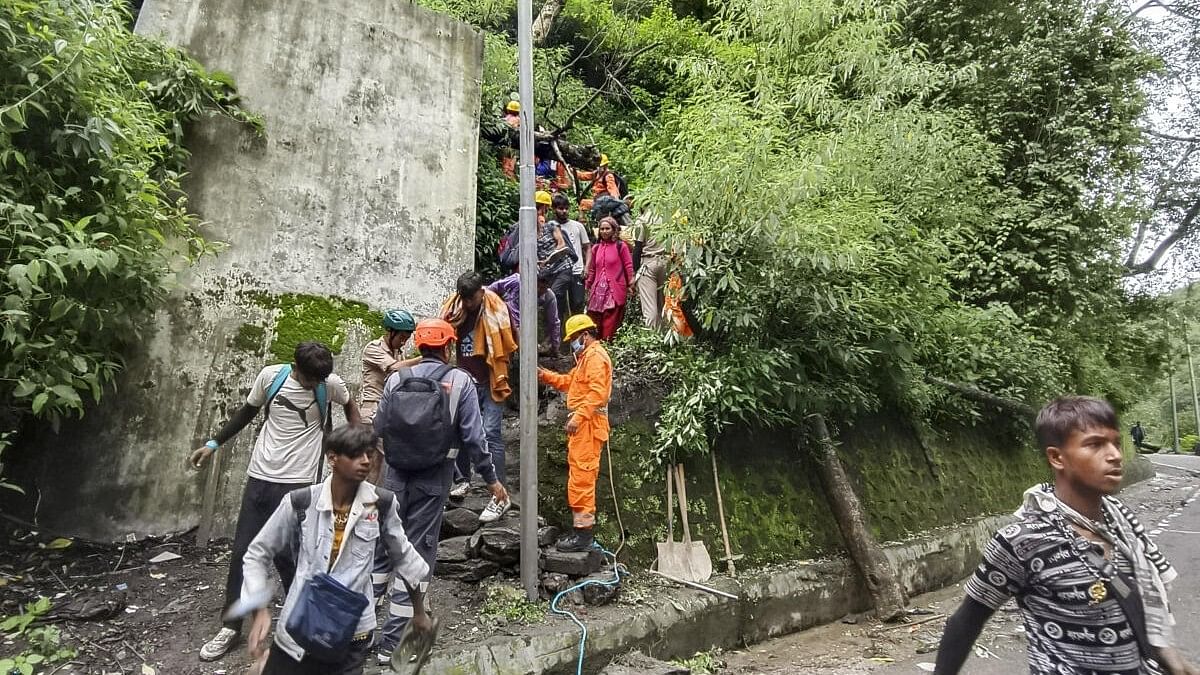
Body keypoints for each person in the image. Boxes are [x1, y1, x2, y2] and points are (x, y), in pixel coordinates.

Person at [934, 396, 1198, 675]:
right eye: (1095, 444)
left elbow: (1140, 605)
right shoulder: (1022, 540)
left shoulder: (1123, 523)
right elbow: (965, 624)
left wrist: (1174, 662)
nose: (1115, 455)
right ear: (1057, 457)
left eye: (1116, 443)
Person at [190, 342, 358, 662]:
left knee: (291, 557)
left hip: (299, 483)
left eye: (321, 380)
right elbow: (246, 413)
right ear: (297, 369)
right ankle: (230, 625)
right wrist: (213, 444)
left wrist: (354, 439)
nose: (317, 386)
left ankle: (308, 622)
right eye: (312, 380)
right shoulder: (271, 377)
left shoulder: (329, 384)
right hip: (260, 476)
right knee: (244, 551)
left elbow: (350, 407)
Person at [238, 424, 432, 675]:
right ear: (332, 458)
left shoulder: (381, 504)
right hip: (300, 629)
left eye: (369, 454)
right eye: (355, 454)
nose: (365, 461)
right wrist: (259, 608)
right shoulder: (301, 502)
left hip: (352, 634)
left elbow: (405, 557)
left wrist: (419, 612)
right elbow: (257, 553)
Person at [370, 319, 509, 663]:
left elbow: (377, 427)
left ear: (418, 345)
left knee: (382, 551)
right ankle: (391, 645)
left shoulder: (396, 378)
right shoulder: (459, 381)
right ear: (448, 347)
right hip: (433, 480)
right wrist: (491, 479)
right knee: (415, 555)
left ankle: (360, 634)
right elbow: (475, 440)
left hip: (394, 476)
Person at [441, 272, 517, 510]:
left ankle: (499, 492)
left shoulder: (497, 309)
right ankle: (462, 480)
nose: (467, 303)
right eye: (463, 298)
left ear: (481, 293)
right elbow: (442, 335)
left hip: (491, 378)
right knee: (458, 432)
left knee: (491, 432)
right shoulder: (454, 310)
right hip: (464, 380)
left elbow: (509, 339)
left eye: (471, 299)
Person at [537, 315, 613, 552]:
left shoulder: (595, 357)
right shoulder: (586, 358)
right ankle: (581, 531)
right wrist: (545, 376)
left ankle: (583, 536)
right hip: (585, 426)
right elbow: (572, 383)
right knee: (579, 479)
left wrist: (579, 417)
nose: (572, 343)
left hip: (588, 425)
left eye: (573, 338)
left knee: (582, 479)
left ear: (585, 335)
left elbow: (597, 394)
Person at [359, 309, 420, 483]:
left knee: (376, 466)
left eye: (406, 339)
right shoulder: (373, 349)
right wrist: (425, 359)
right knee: (381, 459)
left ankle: (368, 504)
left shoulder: (399, 353)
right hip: (372, 412)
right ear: (390, 332)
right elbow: (394, 368)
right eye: (401, 337)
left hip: (387, 411)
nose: (403, 342)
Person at [585, 216, 635, 341]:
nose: (604, 231)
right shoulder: (596, 248)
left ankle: (607, 346)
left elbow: (628, 265)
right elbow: (592, 269)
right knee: (595, 320)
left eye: (607, 228)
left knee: (610, 321)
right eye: (602, 229)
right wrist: (588, 285)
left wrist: (631, 282)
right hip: (598, 292)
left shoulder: (621, 246)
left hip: (614, 290)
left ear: (614, 230)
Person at [488, 268, 561, 350]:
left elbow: (554, 322)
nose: (538, 290)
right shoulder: (517, 281)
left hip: (524, 327)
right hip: (504, 317)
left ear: (548, 287)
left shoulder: (549, 297)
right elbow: (493, 288)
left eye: (542, 288)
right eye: (537, 286)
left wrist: (555, 346)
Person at [552, 193, 591, 315]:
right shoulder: (551, 227)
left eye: (566, 208)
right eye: (560, 208)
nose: (564, 211)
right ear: (554, 209)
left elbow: (587, 248)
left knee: (578, 303)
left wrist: (587, 267)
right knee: (558, 305)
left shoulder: (578, 226)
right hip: (559, 273)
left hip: (577, 271)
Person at [631, 210, 668, 329]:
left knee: (649, 306)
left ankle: (652, 337)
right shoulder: (667, 217)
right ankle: (667, 336)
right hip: (666, 262)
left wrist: (634, 271)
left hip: (648, 263)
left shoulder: (642, 220)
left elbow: (637, 248)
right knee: (663, 304)